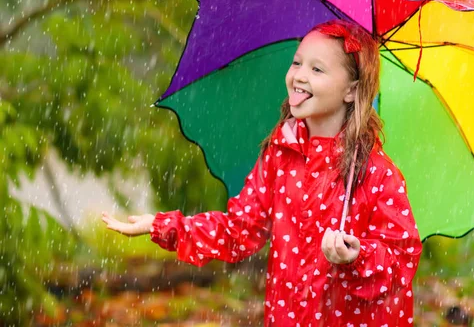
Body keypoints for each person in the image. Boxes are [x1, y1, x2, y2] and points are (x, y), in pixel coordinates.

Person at [102, 19, 422, 326]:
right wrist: (165, 226)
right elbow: (239, 230)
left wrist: (357, 256)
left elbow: (400, 261)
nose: (299, 76)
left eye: (317, 69)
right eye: (297, 63)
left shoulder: (376, 173)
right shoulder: (280, 155)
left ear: (351, 90)